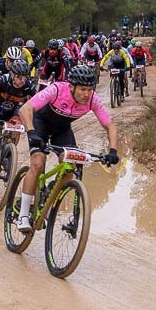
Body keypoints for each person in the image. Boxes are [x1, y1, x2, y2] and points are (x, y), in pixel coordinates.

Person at [15, 65, 119, 233]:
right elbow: (25, 109)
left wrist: (113, 151)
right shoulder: (56, 89)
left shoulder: (93, 99)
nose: (87, 94)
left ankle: (49, 195)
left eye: (90, 89)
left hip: (62, 130)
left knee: (70, 166)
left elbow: (110, 125)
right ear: (71, 86)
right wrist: (31, 132)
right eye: (83, 89)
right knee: (38, 162)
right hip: (39, 125)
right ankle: (24, 214)